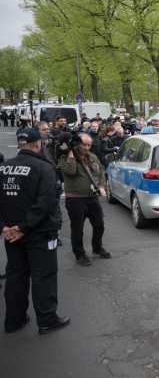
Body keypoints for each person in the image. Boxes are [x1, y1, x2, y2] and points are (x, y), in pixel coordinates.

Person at [1, 128, 71, 335]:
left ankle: (14, 320)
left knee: (16, 276)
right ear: (38, 143)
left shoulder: (4, 167)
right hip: (38, 233)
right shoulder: (43, 168)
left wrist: (5, 227)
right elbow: (46, 202)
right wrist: (23, 228)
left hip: (11, 234)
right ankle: (47, 319)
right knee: (44, 277)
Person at [58, 133, 111, 266]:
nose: (87, 148)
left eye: (89, 145)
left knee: (99, 224)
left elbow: (101, 172)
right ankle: (79, 254)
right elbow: (71, 171)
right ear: (77, 144)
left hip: (92, 197)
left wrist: (101, 186)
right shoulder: (64, 157)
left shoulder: (92, 156)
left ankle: (97, 248)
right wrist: (71, 155)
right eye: (84, 145)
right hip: (75, 199)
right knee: (77, 228)